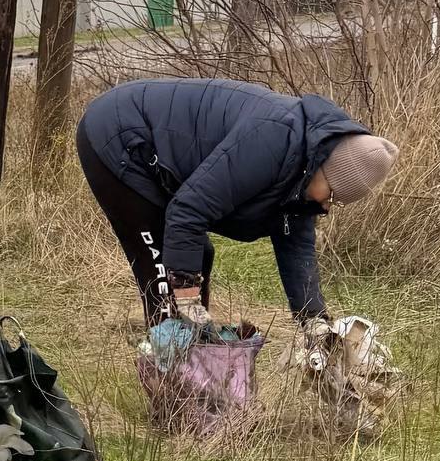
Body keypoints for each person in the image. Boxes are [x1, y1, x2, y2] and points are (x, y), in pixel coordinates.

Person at [76, 78, 398, 334]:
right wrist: (186, 291)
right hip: (120, 136)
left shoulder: (305, 168)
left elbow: (296, 247)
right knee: (164, 275)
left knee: (199, 254)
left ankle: (194, 353)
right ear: (324, 168)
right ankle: (172, 388)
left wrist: (313, 320)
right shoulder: (273, 140)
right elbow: (188, 212)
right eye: (332, 193)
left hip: (157, 153)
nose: (327, 206)